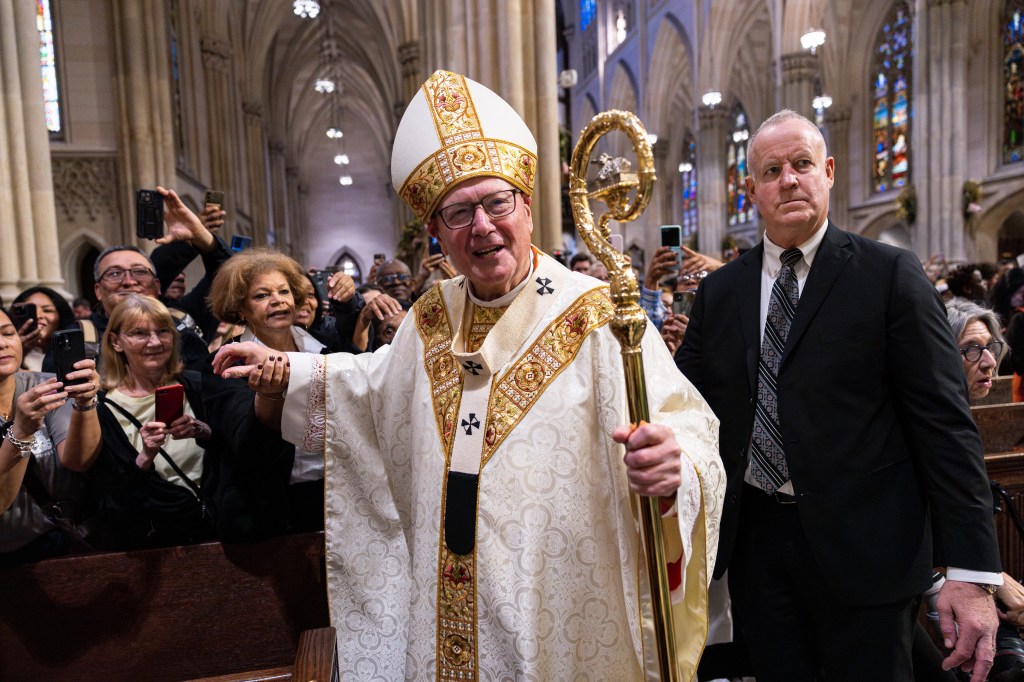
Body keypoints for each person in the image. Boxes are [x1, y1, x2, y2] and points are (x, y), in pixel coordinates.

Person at [214, 69, 725, 680]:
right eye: (457, 213)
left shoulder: (596, 315)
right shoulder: (430, 316)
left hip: (556, 597)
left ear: (526, 207)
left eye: (495, 202)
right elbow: (376, 393)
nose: (481, 226)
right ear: (436, 233)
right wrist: (290, 373)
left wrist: (676, 462)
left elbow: (688, 426)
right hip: (448, 585)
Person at [677, 109, 1001, 682]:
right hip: (759, 550)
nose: (789, 179)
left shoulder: (889, 276)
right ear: (751, 189)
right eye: (772, 170)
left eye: (802, 164)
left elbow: (945, 428)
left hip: (868, 550)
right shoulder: (721, 293)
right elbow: (682, 412)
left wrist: (972, 574)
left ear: (827, 171)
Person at [59, 295, 220, 549]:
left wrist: (206, 432)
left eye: (162, 332)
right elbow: (113, 505)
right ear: (116, 341)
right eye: (139, 333)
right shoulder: (103, 409)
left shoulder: (198, 386)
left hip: (219, 529)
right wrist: (145, 457)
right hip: (158, 545)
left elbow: (234, 459)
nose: (155, 342)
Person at [205, 248, 326, 539]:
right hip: (268, 507)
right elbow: (247, 446)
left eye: (284, 291)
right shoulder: (227, 361)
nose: (277, 300)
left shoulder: (324, 348)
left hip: (330, 495)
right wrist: (270, 396)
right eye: (261, 296)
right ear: (241, 309)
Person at [0, 305, 102, 567]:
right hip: (11, 555)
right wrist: (22, 430)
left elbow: (78, 460)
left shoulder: (45, 385)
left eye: (7, 333)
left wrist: (85, 403)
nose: (2, 344)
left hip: (65, 538)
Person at [12, 286, 78, 373]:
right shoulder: (6, 349)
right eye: (32, 310)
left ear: (61, 315)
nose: (38, 316)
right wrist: (17, 349)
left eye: (47, 310)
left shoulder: (75, 348)